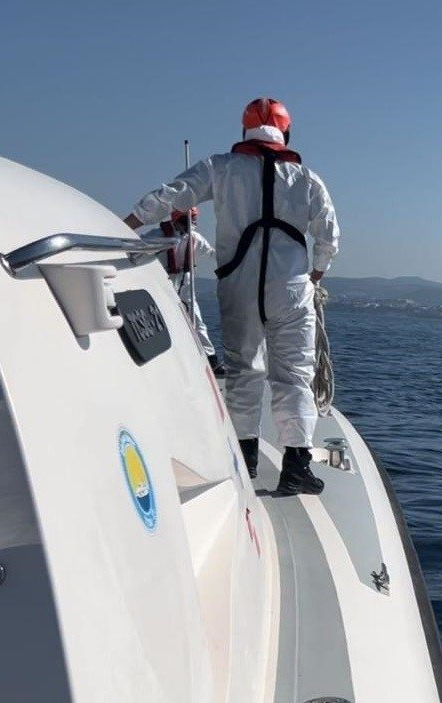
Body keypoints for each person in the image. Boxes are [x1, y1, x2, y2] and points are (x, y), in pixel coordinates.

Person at [123, 97, 340, 495]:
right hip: (291, 288)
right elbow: (328, 236)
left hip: (237, 284)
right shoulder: (307, 180)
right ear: (286, 133)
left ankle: (247, 458)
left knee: (243, 370)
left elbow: (172, 194)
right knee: (294, 375)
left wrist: (126, 225)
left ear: (245, 132)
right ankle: (296, 466)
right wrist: (315, 274)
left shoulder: (220, 168)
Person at [150, 207, 224, 376]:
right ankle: (164, 361)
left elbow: (212, 253)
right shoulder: (158, 236)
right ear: (176, 221)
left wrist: (234, 255)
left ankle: (212, 361)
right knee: (161, 321)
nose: (192, 224)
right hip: (162, 284)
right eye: (187, 220)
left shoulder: (195, 239)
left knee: (197, 322)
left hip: (186, 285)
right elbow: (137, 248)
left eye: (194, 220)